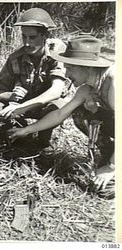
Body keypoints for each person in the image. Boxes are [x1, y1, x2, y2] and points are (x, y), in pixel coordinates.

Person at [8, 35, 114, 197]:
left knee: (106, 190)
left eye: (71, 68)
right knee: (80, 112)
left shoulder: (114, 83)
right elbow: (60, 114)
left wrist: (112, 167)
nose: (67, 73)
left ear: (87, 67)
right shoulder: (86, 89)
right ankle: (109, 154)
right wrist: (26, 130)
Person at [0, 8, 68, 149]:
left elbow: (56, 91)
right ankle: (18, 136)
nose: (27, 43)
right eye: (24, 37)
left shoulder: (56, 54)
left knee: (59, 106)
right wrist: (11, 96)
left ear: (45, 36)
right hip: (21, 106)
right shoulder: (15, 58)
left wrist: (22, 107)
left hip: (44, 106)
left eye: (32, 37)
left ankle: (43, 143)